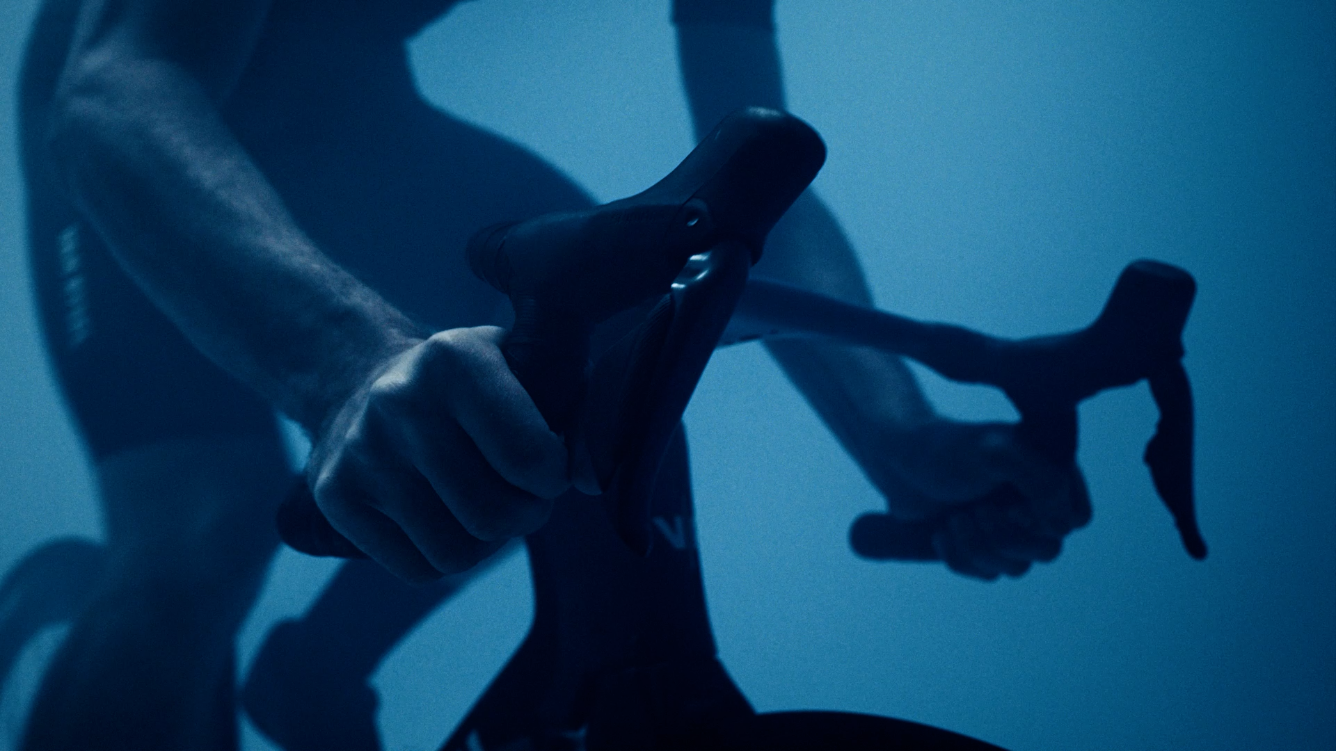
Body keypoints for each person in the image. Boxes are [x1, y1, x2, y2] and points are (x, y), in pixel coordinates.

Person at [12, 0, 1089, 748]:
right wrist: (352, 369)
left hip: (353, 104)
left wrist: (900, 435)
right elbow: (116, 93)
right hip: (148, 94)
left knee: (591, 368)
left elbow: (766, 184)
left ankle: (317, 670)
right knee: (205, 530)